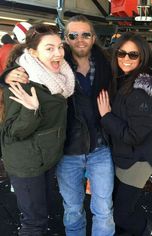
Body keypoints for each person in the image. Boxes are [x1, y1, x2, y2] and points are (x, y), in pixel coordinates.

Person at [2, 15, 115, 236]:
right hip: (68, 150)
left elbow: (137, 62)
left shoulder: (105, 62)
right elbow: (21, 69)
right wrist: (6, 76)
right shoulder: (49, 68)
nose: (79, 40)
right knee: (71, 210)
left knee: (103, 209)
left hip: (99, 148)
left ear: (94, 38)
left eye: (86, 34)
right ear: (66, 38)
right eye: (73, 35)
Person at [0, 24, 75, 236]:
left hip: (45, 156)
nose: (58, 53)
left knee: (43, 213)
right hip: (27, 163)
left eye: (60, 47)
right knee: (34, 222)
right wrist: (31, 111)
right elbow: (12, 132)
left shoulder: (59, 76)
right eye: (49, 48)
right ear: (33, 52)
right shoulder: (22, 81)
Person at [97, 32, 152, 236]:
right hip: (125, 155)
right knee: (121, 208)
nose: (126, 59)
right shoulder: (125, 78)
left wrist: (106, 116)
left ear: (143, 57)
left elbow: (134, 136)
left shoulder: (142, 90)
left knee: (122, 214)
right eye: (121, 53)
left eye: (133, 55)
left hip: (138, 159)